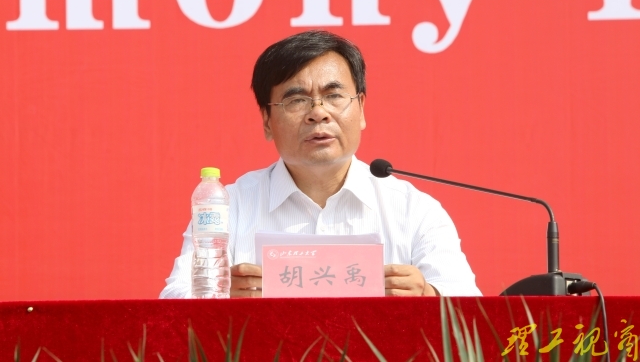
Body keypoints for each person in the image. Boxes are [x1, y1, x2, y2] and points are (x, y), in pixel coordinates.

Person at [160, 30, 481, 298]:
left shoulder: (413, 210)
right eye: (297, 100)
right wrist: (220, 297)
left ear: (361, 108)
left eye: (334, 96)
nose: (318, 113)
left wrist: (428, 296)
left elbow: (471, 315)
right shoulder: (231, 207)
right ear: (267, 121)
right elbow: (173, 301)